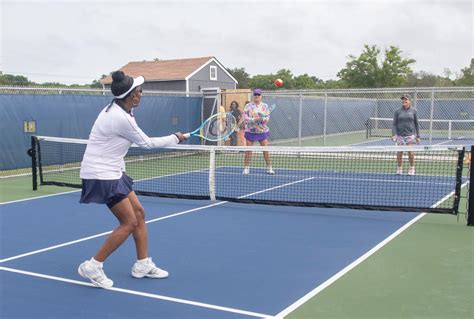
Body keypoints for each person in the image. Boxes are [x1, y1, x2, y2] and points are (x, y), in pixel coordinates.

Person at [77, 71, 187, 288]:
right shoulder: (120, 117)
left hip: (114, 171)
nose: (141, 94)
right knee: (128, 222)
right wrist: (176, 137)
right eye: (139, 91)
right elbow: (147, 143)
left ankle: (142, 264)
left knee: (139, 213)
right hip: (102, 174)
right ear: (132, 97)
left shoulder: (120, 109)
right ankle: (93, 265)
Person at [242, 89, 274, 175]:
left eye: (258, 95)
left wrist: (262, 119)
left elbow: (267, 118)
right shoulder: (248, 106)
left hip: (262, 131)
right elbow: (245, 118)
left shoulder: (265, 106)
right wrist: (254, 119)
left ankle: (269, 168)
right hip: (250, 131)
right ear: (253, 95)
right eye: (255, 94)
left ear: (261, 96)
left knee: (265, 150)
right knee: (248, 151)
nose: (257, 96)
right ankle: (246, 168)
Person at [392, 94, 420, 175]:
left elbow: (416, 124)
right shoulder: (397, 111)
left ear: (409, 101)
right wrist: (394, 134)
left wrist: (418, 136)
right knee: (399, 152)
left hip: (410, 135)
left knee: (410, 152)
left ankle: (412, 168)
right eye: (402, 100)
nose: (403, 101)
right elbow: (394, 124)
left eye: (405, 100)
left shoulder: (414, 111)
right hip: (400, 135)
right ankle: (399, 168)